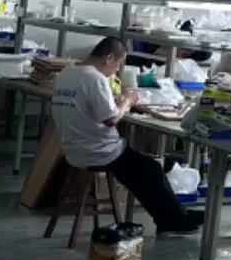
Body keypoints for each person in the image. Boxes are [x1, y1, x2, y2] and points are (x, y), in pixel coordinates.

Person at [50, 37, 201, 234]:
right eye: (118, 64)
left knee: (145, 169)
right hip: (100, 151)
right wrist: (127, 102)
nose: (116, 70)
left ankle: (174, 217)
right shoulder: (95, 78)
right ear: (109, 58)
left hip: (73, 147)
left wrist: (115, 102)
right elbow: (111, 119)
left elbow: (86, 104)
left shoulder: (66, 73)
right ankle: (175, 220)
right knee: (151, 170)